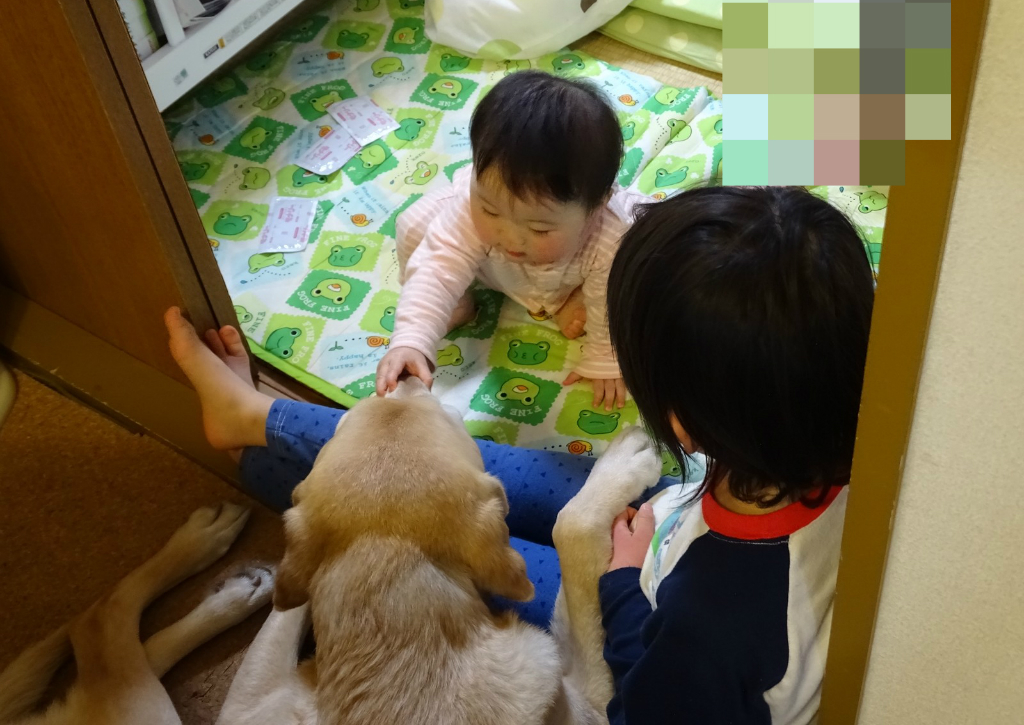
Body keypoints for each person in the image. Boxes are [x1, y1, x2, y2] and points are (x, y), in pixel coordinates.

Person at [164, 184, 874, 723]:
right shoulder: (838, 426)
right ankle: (254, 423)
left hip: (638, 605)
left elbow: (645, 704)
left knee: (422, 521)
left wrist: (622, 586)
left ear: (686, 420)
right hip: (683, 519)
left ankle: (255, 443)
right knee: (445, 476)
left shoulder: (707, 633)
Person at [376, 70, 644, 410]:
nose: (510, 237)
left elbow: (614, 300)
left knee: (623, 285)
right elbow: (437, 269)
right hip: (493, 270)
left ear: (597, 206)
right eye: (490, 210)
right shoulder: (468, 211)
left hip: (569, 273)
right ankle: (458, 306)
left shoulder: (610, 234)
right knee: (413, 225)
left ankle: (566, 300)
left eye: (539, 228)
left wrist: (604, 357)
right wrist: (413, 338)